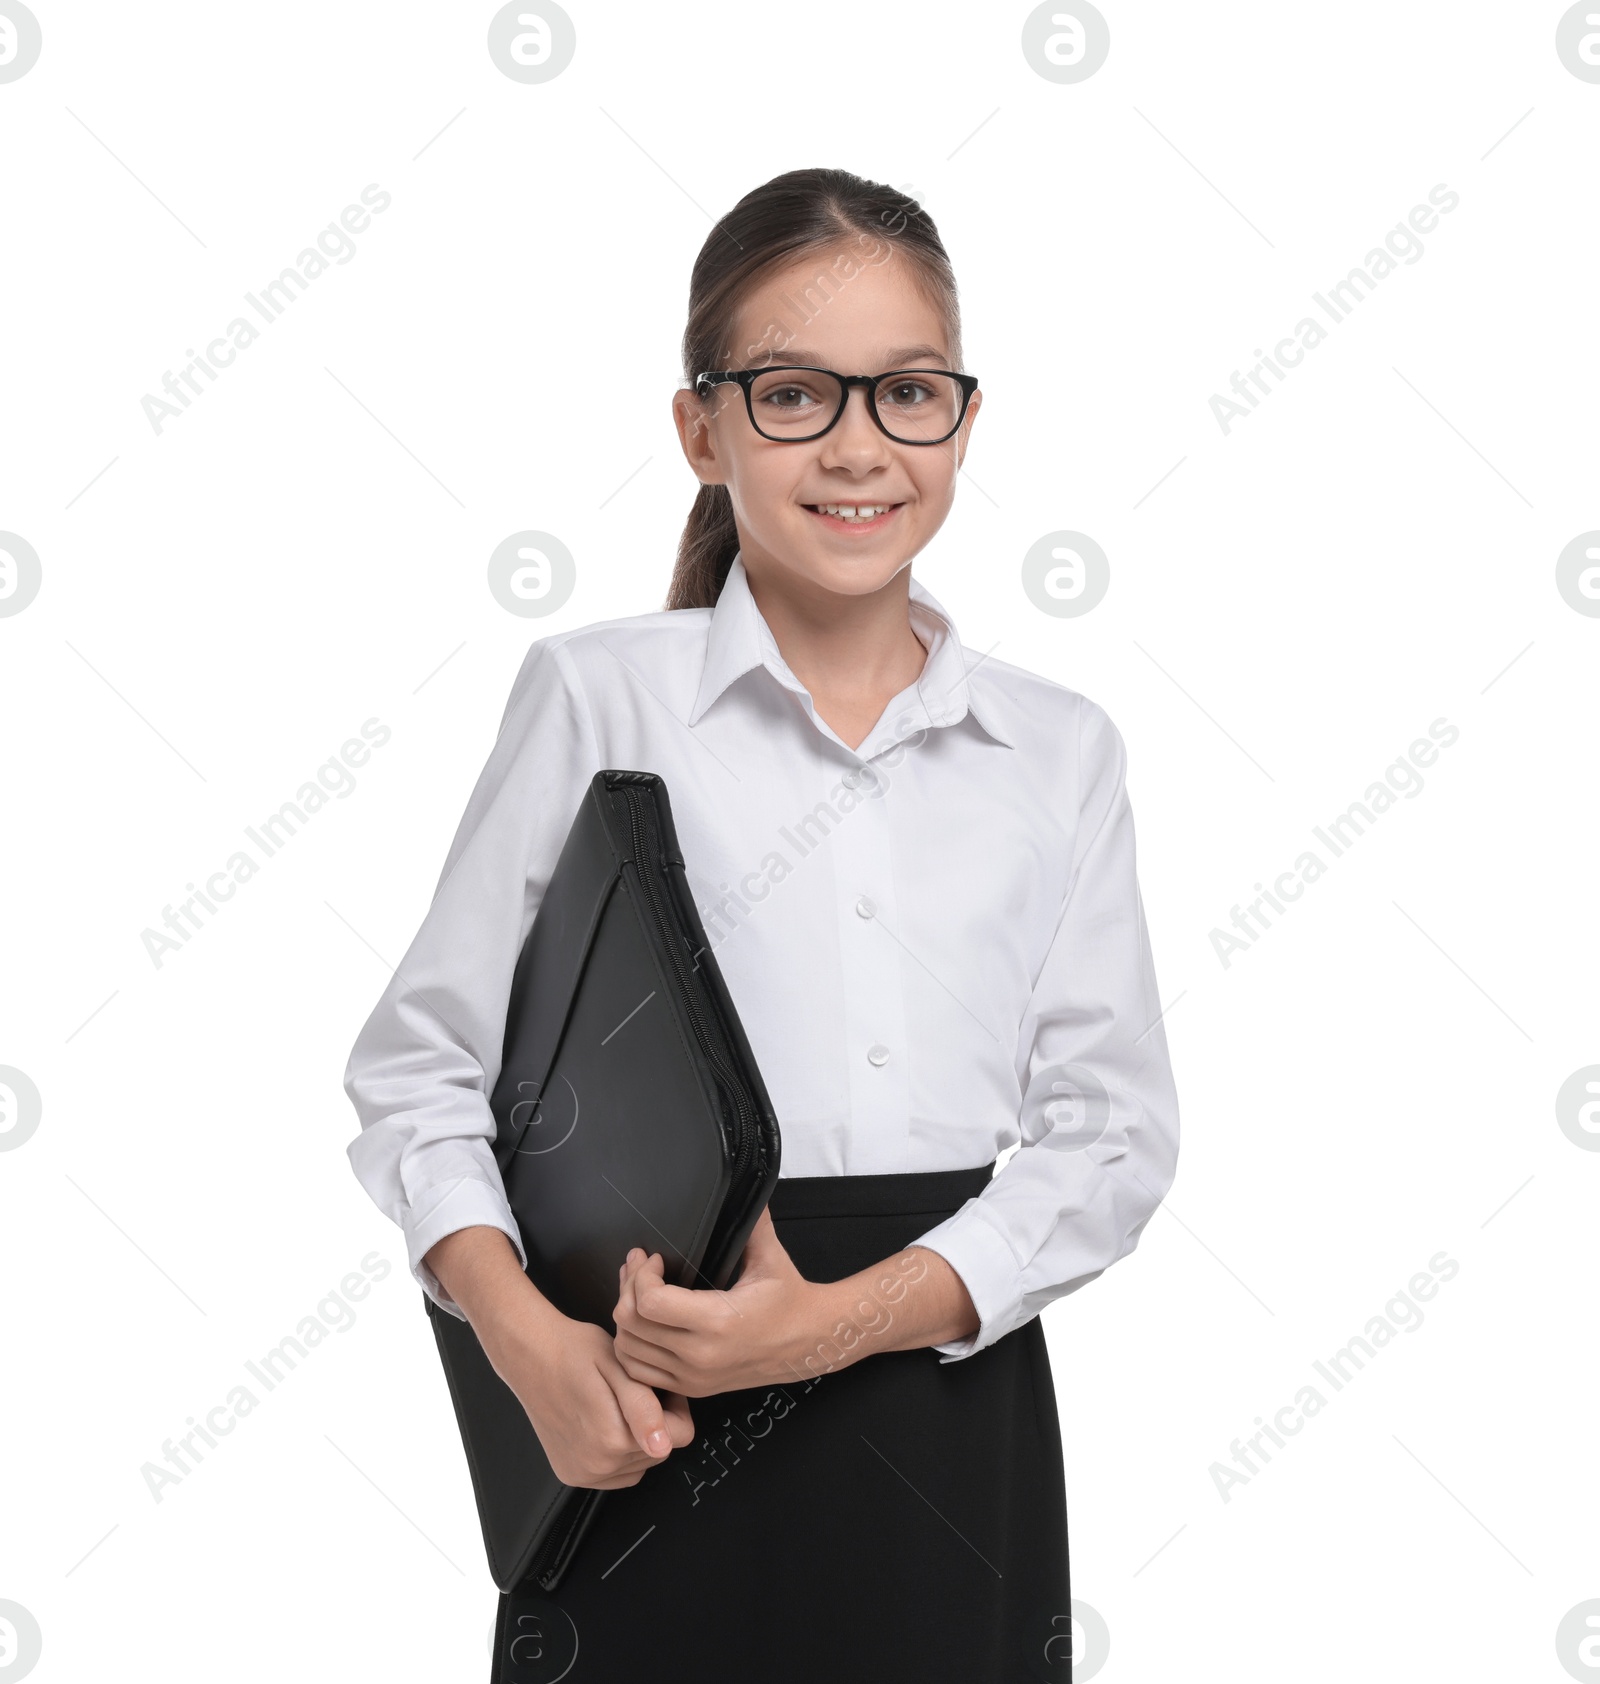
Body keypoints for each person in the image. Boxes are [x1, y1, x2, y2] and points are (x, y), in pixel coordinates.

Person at [342, 165, 1180, 1682]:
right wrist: (530, 1349)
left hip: (944, 1399)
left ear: (965, 423)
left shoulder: (1060, 751)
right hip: (636, 1414)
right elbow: (419, 1071)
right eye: (795, 394)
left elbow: (1112, 1142)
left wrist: (829, 1328)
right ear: (703, 426)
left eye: (908, 393)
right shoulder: (600, 700)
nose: (859, 445)